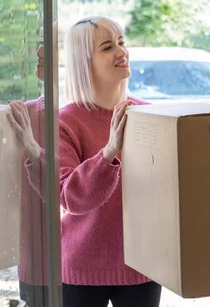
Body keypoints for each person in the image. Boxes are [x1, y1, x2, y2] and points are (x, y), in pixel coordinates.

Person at [58, 16, 161, 306]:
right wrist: (109, 151)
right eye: (107, 47)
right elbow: (70, 198)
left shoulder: (151, 116)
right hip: (80, 267)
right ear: (83, 62)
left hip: (143, 265)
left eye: (121, 42)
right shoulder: (64, 123)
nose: (121, 52)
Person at [8, 33, 49, 306]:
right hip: (33, 259)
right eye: (41, 38)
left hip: (70, 266)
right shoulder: (22, 114)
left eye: (51, 41)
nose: (40, 49)